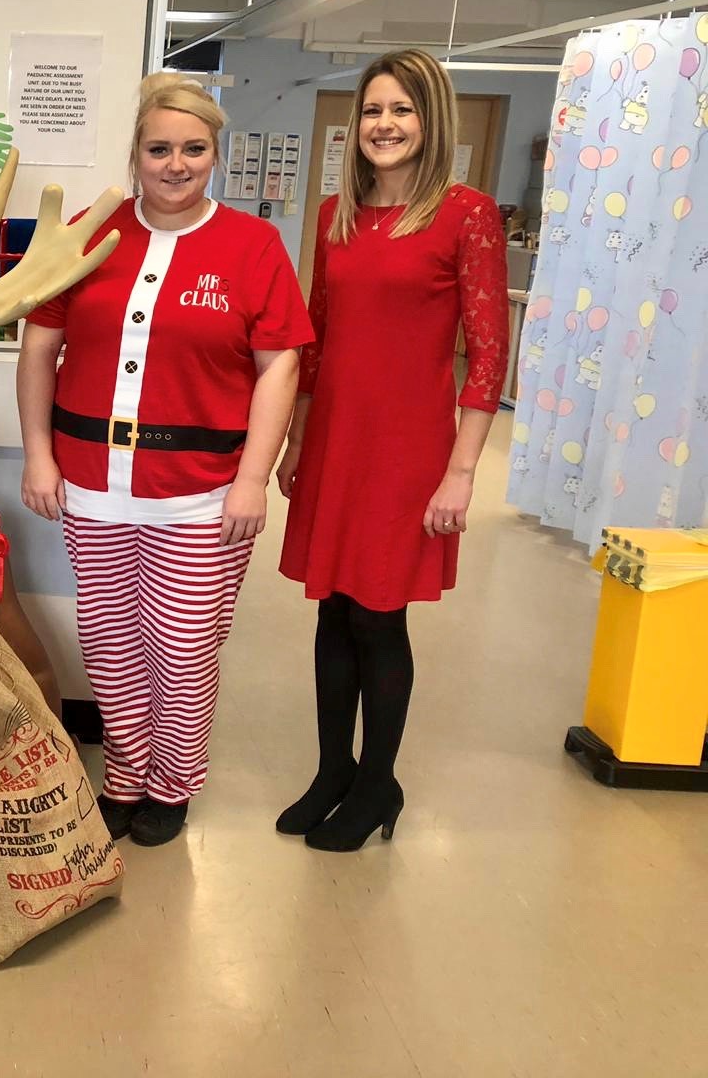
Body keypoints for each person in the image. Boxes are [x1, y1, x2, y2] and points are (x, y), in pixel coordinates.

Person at [18, 75, 312, 847]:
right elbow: (40, 347)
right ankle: (124, 773)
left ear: (215, 153)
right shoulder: (90, 231)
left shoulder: (253, 247)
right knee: (110, 647)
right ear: (136, 153)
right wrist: (39, 458)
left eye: (193, 149)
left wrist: (254, 475)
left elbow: (281, 364)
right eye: (159, 149)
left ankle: (173, 785)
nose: (175, 164)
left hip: (201, 492)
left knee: (182, 652)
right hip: (92, 485)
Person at [275, 49, 508, 852]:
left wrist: (462, 471)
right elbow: (316, 335)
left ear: (430, 119)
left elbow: (488, 354)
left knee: (379, 614)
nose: (384, 124)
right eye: (373, 110)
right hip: (337, 438)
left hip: (409, 448)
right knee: (332, 610)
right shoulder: (336, 213)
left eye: (402, 110)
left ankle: (379, 783)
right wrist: (298, 437)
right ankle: (332, 770)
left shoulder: (465, 214)